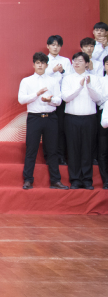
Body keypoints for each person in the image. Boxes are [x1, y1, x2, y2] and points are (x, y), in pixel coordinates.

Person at [18, 52, 69, 190]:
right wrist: (37, 94)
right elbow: (21, 99)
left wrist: (49, 100)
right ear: (33, 65)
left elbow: (59, 100)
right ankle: (28, 180)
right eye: (37, 63)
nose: (40, 65)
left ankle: (55, 181)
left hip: (51, 118)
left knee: (52, 150)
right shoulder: (26, 81)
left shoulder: (53, 81)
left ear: (47, 65)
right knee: (31, 149)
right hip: (34, 118)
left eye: (43, 63)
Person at [61, 52, 103, 190]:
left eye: (80, 60)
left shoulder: (94, 78)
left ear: (87, 63)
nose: (76, 63)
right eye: (74, 60)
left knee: (87, 149)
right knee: (73, 149)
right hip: (71, 118)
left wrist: (89, 86)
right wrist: (79, 86)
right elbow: (66, 97)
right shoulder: (67, 78)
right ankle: (75, 180)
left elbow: (98, 99)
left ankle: (87, 180)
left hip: (89, 118)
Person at [45, 35, 71, 165]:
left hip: (61, 99)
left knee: (61, 129)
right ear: (48, 46)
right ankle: (48, 156)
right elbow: (41, 75)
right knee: (48, 129)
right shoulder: (44, 60)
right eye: (53, 45)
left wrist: (62, 71)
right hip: (46, 98)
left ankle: (61, 156)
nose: (55, 47)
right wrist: (53, 70)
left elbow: (70, 77)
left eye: (58, 45)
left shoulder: (65, 61)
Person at [98, 55, 108, 190]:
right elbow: (99, 99)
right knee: (103, 150)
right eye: (107, 64)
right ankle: (106, 180)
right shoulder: (100, 81)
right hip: (102, 115)